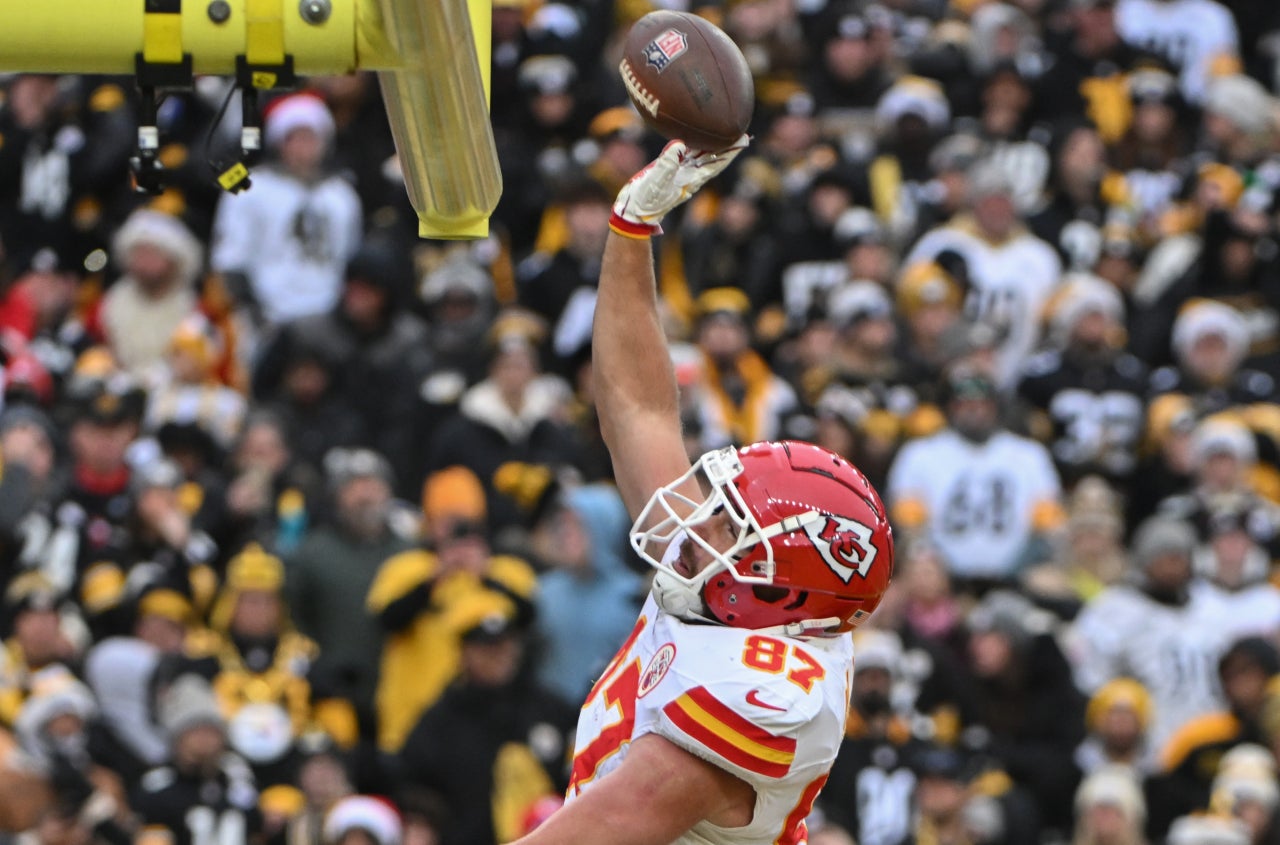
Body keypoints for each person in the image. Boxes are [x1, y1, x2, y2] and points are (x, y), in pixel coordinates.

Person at [508, 138, 895, 844]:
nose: (700, 519)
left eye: (729, 523)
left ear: (779, 590)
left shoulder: (770, 695)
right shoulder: (741, 593)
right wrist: (632, 229)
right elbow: (641, 408)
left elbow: (599, 831)